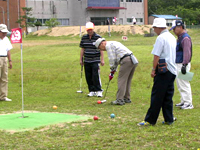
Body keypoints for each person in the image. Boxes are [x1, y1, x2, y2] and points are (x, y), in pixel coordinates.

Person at [138, 18, 177, 126]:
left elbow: (156, 55)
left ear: (158, 27)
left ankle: (150, 120)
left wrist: (153, 69)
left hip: (163, 70)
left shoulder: (161, 38)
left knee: (157, 95)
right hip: (173, 70)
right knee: (168, 96)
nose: (154, 30)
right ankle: (169, 119)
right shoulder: (172, 37)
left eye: (154, 28)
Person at [95, 38, 138, 105]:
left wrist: (112, 70)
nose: (102, 50)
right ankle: (126, 98)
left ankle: (119, 99)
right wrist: (113, 70)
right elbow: (117, 59)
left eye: (100, 48)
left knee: (121, 80)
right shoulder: (113, 42)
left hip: (126, 60)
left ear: (102, 43)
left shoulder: (108, 45)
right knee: (127, 80)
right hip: (133, 59)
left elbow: (112, 59)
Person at [170, 20, 193, 109]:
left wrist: (184, 65)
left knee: (184, 83)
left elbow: (187, 52)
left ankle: (188, 103)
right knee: (180, 84)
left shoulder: (185, 38)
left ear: (180, 27)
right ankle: (184, 101)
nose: (173, 31)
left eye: (174, 29)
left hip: (183, 64)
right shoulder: (181, 37)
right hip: (179, 64)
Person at [79, 22, 104, 97]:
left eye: (90, 29)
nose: (89, 31)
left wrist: (102, 59)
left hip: (95, 60)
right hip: (86, 60)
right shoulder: (84, 38)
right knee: (88, 76)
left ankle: (99, 90)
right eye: (88, 30)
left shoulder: (98, 37)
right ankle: (91, 90)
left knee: (95, 75)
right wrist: (81, 59)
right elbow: (82, 49)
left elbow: (101, 49)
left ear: (93, 29)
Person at [0, 24, 13, 102]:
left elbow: (8, 50)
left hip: (4, 58)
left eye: (5, 33)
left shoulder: (6, 39)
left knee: (4, 78)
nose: (4, 34)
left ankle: (3, 96)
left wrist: (10, 60)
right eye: (3, 32)